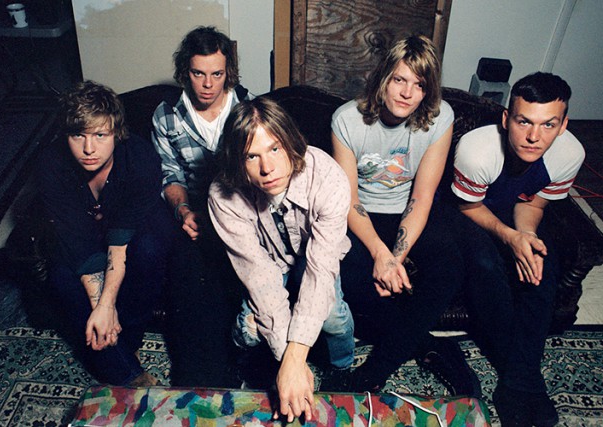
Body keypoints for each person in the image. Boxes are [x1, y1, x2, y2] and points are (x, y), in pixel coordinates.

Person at [331, 35, 479, 393]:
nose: (407, 93)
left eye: (419, 85)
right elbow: (348, 200)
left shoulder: (441, 117)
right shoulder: (346, 120)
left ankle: (376, 370)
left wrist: (394, 259)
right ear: (383, 77)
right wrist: (379, 255)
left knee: (449, 266)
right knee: (346, 275)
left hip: (406, 211)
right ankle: (431, 346)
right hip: (360, 214)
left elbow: (422, 197)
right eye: (400, 79)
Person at [449, 72, 584, 426]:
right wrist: (508, 238)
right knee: (486, 265)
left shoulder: (570, 153)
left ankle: (517, 382)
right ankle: (525, 381)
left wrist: (525, 236)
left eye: (548, 124)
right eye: (524, 121)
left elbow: (533, 203)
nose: (534, 136)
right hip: (472, 213)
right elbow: (467, 207)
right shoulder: (477, 151)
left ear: (563, 125)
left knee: (542, 264)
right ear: (507, 118)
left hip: (515, 215)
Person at [208, 97, 355, 422]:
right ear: (237, 159)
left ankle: (342, 367)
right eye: (252, 156)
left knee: (331, 315)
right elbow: (259, 276)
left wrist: (294, 361)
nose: (267, 167)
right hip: (268, 262)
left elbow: (320, 270)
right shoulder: (223, 194)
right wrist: (290, 364)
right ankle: (246, 367)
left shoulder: (327, 177)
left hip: (315, 256)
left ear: (291, 142)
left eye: (275, 149)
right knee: (250, 329)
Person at [37, 80, 170, 386]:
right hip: (83, 240)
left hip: (131, 235)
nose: (88, 149)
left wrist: (107, 306)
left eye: (100, 135)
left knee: (149, 248)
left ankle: (126, 341)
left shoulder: (140, 159)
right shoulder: (51, 164)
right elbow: (81, 250)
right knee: (61, 277)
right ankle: (128, 374)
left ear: (116, 133)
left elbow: (118, 245)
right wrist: (102, 309)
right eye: (78, 135)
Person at [151, 26, 251, 387]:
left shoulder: (249, 110)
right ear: (185, 71)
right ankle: (194, 379)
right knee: (188, 274)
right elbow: (170, 174)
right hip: (192, 212)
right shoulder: (166, 116)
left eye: (217, 74)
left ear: (228, 73)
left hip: (240, 212)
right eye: (198, 73)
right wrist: (183, 211)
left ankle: (239, 370)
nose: (208, 84)